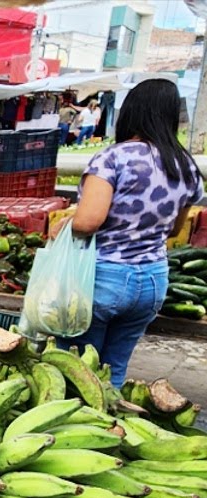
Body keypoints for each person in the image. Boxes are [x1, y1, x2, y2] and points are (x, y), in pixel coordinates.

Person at [68, 79, 202, 385]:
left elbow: (88, 222)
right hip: (152, 280)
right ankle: (109, 427)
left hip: (104, 278)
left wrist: (68, 223)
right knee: (112, 369)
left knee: (77, 371)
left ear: (131, 112)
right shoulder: (185, 165)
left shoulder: (114, 158)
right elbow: (175, 229)